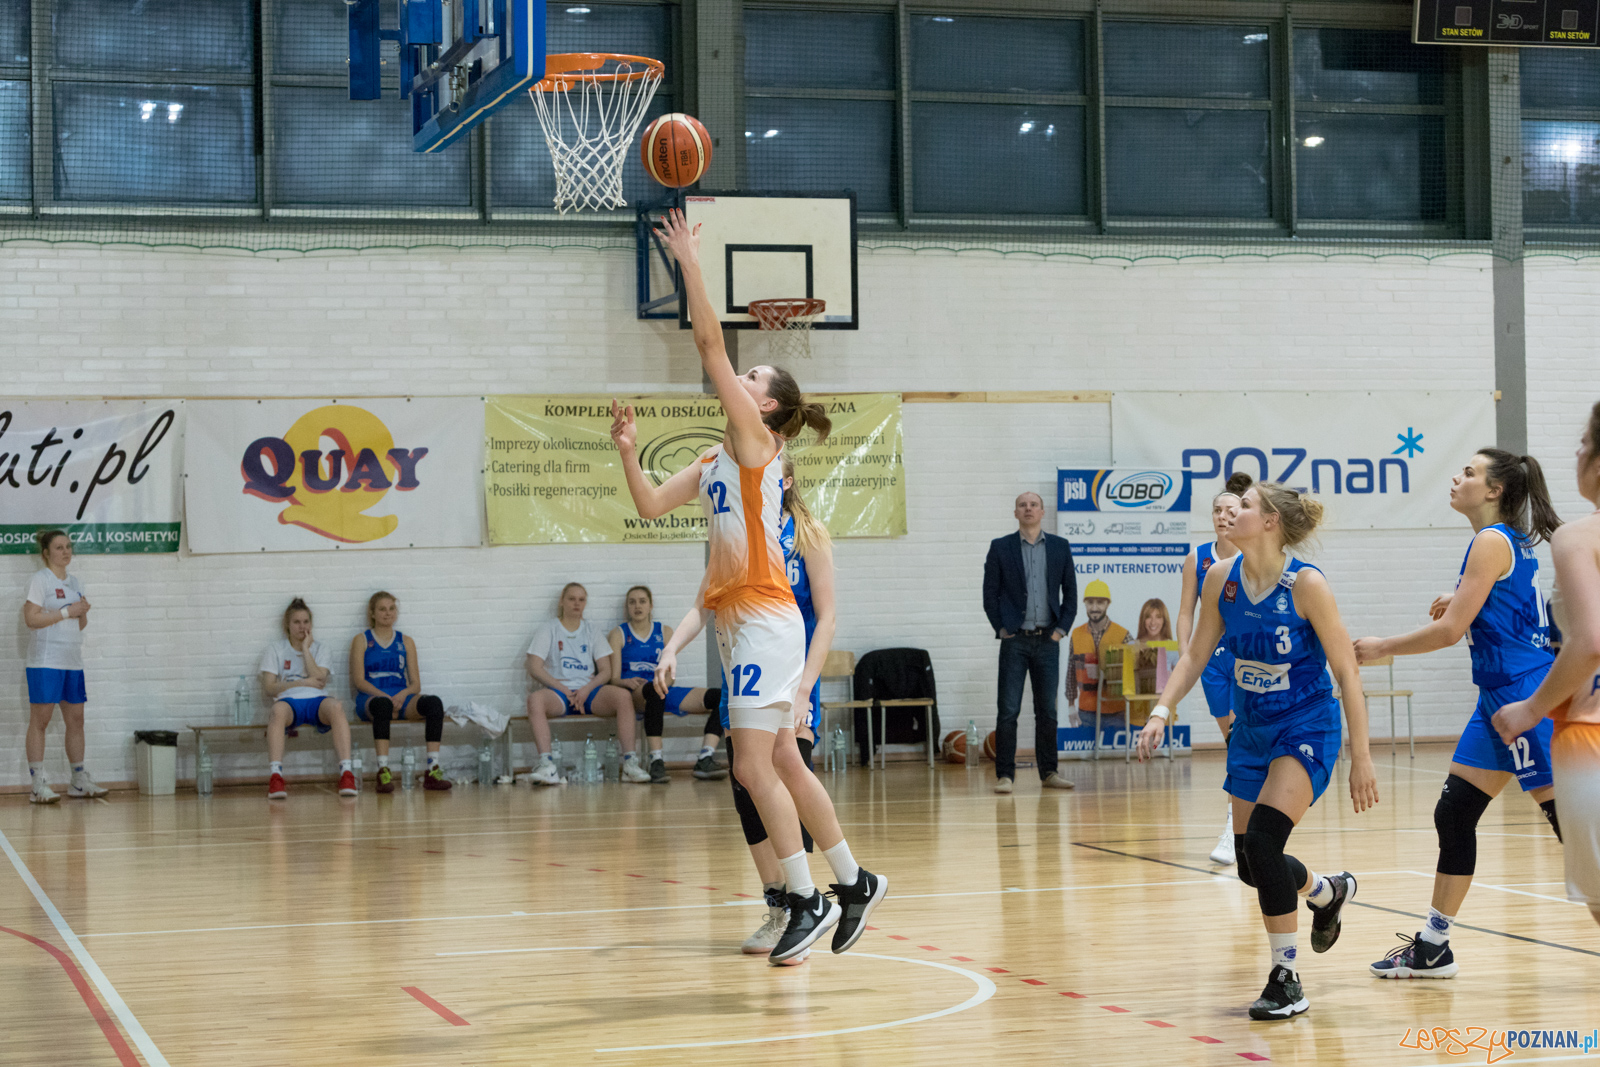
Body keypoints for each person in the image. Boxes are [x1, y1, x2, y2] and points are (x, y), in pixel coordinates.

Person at [610, 206, 885, 965]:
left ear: (763, 405)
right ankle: (853, 881)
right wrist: (630, 452)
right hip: (738, 625)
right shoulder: (711, 460)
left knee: (749, 766)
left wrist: (691, 264)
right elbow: (646, 505)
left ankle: (803, 899)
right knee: (783, 765)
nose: (743, 374)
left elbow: (706, 343)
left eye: (752, 375)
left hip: (768, 618)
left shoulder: (757, 442)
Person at [1136, 483, 1377, 1021]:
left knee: (1266, 844)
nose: (1230, 512)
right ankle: (1325, 892)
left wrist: (1361, 756)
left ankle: (1286, 977)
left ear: (1269, 523)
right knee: (1251, 866)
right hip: (1251, 731)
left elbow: (1346, 671)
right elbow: (1196, 654)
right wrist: (1161, 710)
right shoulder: (1219, 580)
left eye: (1244, 506)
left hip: (1305, 725)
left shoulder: (1307, 586)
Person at [1355, 449, 1563, 978]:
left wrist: (1384, 647)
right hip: (1495, 698)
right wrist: (1465, 595)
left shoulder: (1491, 541)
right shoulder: (1502, 542)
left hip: (1522, 697)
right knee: (1454, 813)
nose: (1457, 477)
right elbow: (1507, 602)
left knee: (1575, 828)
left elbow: (1450, 633)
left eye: (1469, 472)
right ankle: (1433, 946)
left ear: (1494, 490)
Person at [1493, 401, 1600, 930]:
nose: (1576, 451)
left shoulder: (1577, 536)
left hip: (1591, 733)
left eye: (1583, 441)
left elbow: (1591, 641)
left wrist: (1532, 709)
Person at [730, 454, 837, 960]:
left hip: (794, 670)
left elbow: (828, 616)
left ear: (786, 480)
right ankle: (780, 902)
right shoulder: (744, 530)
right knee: (744, 779)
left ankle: (806, 903)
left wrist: (804, 689)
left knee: (791, 767)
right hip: (749, 666)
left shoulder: (808, 533)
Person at [1178, 472, 1254, 865]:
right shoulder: (1198, 556)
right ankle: (1241, 818)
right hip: (1212, 664)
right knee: (1235, 742)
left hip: (1245, 660)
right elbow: (1185, 614)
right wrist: (1186, 658)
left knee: (1241, 743)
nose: (1222, 516)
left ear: (1242, 513)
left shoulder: (1252, 557)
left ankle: (1234, 823)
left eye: (1230, 510)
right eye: (1216, 510)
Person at [982, 491, 1078, 795]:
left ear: (1042, 511)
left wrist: (1060, 630)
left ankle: (1049, 772)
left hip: (1047, 640)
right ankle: (1005, 775)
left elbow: (1071, 595)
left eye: (1033, 505)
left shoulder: (1060, 547)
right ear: (1015, 513)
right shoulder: (1001, 548)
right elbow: (990, 595)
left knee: (1047, 711)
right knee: (1008, 710)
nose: (1028, 509)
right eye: (1022, 505)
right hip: (1015, 640)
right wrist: (1001, 628)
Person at [524, 582, 650, 785]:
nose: (577, 603)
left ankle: (630, 764)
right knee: (534, 700)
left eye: (581, 599)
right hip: (560, 692)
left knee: (623, 696)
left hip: (589, 691)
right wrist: (565, 690)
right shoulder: (549, 629)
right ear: (562, 602)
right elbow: (534, 667)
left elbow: (606, 671)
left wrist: (585, 690)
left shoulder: (592, 630)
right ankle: (547, 765)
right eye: (572, 599)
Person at [606, 585, 727, 783]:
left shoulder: (665, 632)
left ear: (651, 605)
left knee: (721, 696)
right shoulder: (618, 634)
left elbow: (671, 674)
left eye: (642, 601)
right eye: (632, 602)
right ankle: (656, 761)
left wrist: (663, 683)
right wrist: (625, 682)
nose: (637, 606)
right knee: (654, 691)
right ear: (627, 607)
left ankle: (705, 756)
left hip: (663, 687)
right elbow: (613, 678)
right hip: (636, 693)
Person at [21, 529, 106, 803]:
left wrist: (81, 613)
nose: (66, 551)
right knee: (41, 721)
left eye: (68, 546)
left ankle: (79, 780)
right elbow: (31, 619)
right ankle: (37, 785)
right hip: (45, 662)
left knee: (76, 720)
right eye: (59, 547)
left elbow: (78, 624)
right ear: (46, 553)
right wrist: (68, 611)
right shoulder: (40, 580)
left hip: (72, 662)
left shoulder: (75, 582)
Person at [349, 591, 451, 793]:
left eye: (391, 608)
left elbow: (416, 684)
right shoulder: (361, 640)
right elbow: (359, 680)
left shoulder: (406, 641)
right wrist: (384, 696)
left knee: (434, 704)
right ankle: (383, 771)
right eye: (382, 609)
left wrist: (402, 695)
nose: (388, 613)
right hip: (372, 698)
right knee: (382, 706)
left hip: (401, 696)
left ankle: (432, 769)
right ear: (372, 613)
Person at [261, 598, 357, 799]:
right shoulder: (275, 649)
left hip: (316, 701)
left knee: (337, 707)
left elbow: (320, 679)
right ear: (287, 625)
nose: (302, 626)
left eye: (306, 622)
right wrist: (302, 683)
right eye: (296, 622)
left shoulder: (321, 648)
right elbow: (269, 688)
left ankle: (347, 773)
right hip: (289, 702)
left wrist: (305, 649)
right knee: (277, 711)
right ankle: (276, 777)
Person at [1065, 580, 1128, 734]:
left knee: (1115, 758)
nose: (1094, 608)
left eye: (1100, 602)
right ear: (1085, 604)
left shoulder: (1123, 635)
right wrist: (1071, 705)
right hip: (1086, 713)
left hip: (1116, 714)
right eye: (1090, 602)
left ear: (1107, 604)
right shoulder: (1076, 634)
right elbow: (1071, 672)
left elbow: (1132, 674)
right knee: (1086, 758)